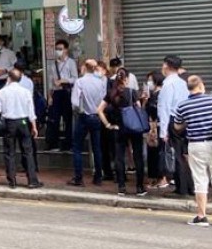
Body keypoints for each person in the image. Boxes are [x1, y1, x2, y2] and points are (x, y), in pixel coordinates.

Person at [173, 75, 212, 227]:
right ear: (201, 86)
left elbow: (177, 126)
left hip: (196, 145)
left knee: (200, 180)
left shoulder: (182, 105)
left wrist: (190, 121)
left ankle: (201, 216)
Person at [98, 68, 147, 196]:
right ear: (127, 79)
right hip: (134, 128)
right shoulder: (132, 92)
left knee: (119, 157)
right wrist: (144, 101)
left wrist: (108, 125)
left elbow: (99, 110)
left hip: (118, 128)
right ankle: (140, 187)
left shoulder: (110, 93)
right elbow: (139, 108)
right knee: (138, 157)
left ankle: (121, 187)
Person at [0, 68, 42, 189]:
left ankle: (12, 181)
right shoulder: (25, 92)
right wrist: (34, 126)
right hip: (24, 121)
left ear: (8, 78)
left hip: (9, 122)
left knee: (9, 152)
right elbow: (31, 111)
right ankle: (32, 180)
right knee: (28, 152)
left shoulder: (3, 91)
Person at [67, 59, 106, 187]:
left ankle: (79, 178)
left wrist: (79, 110)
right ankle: (98, 177)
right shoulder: (100, 82)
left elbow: (75, 102)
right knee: (97, 148)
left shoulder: (80, 82)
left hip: (84, 116)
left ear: (84, 67)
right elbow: (103, 100)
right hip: (97, 116)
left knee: (77, 147)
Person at [158, 55, 191, 196]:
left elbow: (165, 108)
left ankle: (182, 188)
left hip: (172, 120)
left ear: (167, 66)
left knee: (176, 155)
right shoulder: (182, 83)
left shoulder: (168, 84)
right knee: (183, 155)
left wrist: (163, 131)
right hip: (183, 120)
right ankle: (187, 186)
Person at [45, 39, 78, 152]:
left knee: (68, 119)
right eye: (57, 49)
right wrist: (49, 96)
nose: (58, 51)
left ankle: (68, 144)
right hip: (56, 93)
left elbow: (75, 79)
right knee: (54, 118)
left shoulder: (71, 63)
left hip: (67, 92)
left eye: (60, 49)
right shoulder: (53, 64)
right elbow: (50, 81)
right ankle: (53, 143)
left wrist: (64, 80)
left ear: (66, 50)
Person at [144, 72, 168, 189]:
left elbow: (152, 111)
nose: (148, 83)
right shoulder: (154, 94)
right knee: (156, 152)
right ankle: (157, 177)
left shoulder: (158, 95)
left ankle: (160, 177)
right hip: (156, 126)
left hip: (156, 127)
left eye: (150, 80)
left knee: (156, 152)